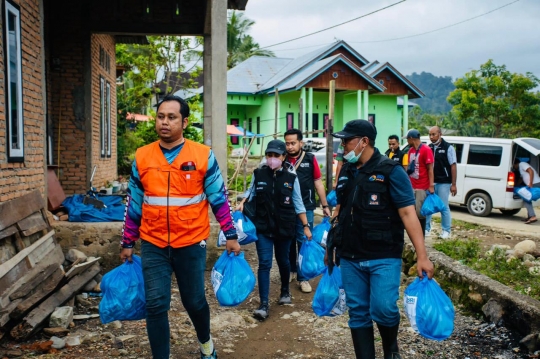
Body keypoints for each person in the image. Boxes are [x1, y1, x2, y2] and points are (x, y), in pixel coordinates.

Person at [120, 95, 240, 359]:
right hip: (153, 242)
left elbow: (218, 197)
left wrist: (230, 234)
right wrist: (127, 242)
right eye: (161, 116)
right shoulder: (142, 157)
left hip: (191, 243)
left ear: (184, 122)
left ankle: (206, 345)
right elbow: (134, 203)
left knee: (194, 301)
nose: (165, 122)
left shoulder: (202, 155)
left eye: (171, 117)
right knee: (155, 304)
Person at [329, 120, 434, 359]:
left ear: (364, 142)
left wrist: (422, 256)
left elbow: (408, 213)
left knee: (384, 308)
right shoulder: (346, 169)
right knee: (357, 312)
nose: (343, 145)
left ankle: (390, 349)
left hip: (383, 255)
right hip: (351, 255)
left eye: (347, 140)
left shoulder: (391, 171)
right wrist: (332, 243)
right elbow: (341, 208)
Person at [237, 139, 312, 320]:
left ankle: (285, 291)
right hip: (263, 227)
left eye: (276, 155)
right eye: (269, 155)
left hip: (285, 228)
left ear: (283, 157)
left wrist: (306, 226)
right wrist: (242, 202)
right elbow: (251, 192)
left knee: (283, 261)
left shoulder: (290, 177)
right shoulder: (259, 173)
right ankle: (263, 304)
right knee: (264, 263)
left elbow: (298, 203)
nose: (272, 159)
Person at [284, 129, 332, 293]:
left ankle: (303, 277)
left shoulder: (310, 159)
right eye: (287, 143)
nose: (290, 147)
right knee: (288, 240)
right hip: (286, 208)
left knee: (305, 240)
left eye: (293, 143)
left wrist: (325, 205)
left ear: (301, 143)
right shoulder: (281, 158)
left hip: (307, 207)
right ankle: (291, 269)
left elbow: (318, 183)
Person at [425, 126, 457, 239]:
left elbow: (453, 166)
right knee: (428, 206)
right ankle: (426, 229)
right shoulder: (428, 148)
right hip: (431, 182)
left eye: (434, 134)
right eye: (430, 135)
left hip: (444, 181)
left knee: (443, 206)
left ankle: (446, 231)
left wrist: (453, 184)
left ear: (440, 134)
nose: (431, 137)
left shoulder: (448, 148)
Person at [404, 129, 434, 236]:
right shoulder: (410, 151)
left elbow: (430, 168)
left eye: (407, 139)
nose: (407, 141)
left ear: (411, 138)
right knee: (412, 211)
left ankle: (422, 234)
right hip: (412, 184)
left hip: (422, 185)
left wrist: (431, 185)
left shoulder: (426, 150)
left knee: (420, 212)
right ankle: (414, 234)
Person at [513, 158, 540, 224]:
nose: (514, 168)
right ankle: (530, 216)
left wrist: (530, 183)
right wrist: (515, 185)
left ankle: (532, 216)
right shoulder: (520, 168)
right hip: (532, 184)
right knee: (526, 198)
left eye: (513, 166)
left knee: (526, 198)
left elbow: (531, 171)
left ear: (515, 164)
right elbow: (521, 179)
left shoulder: (522, 164)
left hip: (534, 183)